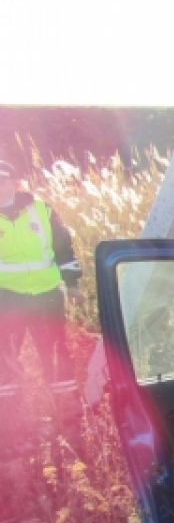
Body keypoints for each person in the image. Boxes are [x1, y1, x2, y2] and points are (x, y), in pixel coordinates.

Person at [0, 159, 82, 398]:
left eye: (2, 180)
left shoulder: (41, 210)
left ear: (15, 183)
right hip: (7, 297)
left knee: (55, 351)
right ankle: (11, 416)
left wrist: (73, 284)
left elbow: (64, 248)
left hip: (47, 295)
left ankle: (67, 411)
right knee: (5, 354)